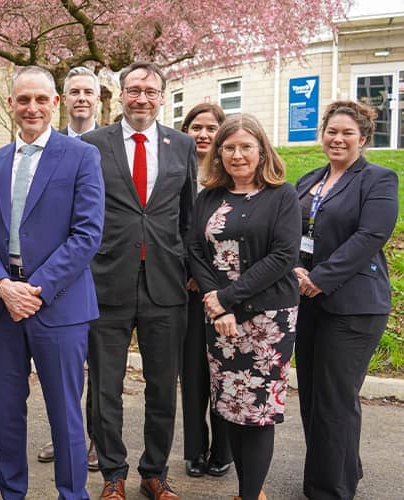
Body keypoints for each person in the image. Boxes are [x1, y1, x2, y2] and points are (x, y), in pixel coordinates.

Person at [0, 66, 104, 500]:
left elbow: (88, 233)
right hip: (2, 307)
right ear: (11, 105)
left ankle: (73, 494)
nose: (31, 107)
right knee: (6, 413)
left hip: (59, 305)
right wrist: (0, 283)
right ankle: (11, 492)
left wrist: (36, 289)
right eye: (23, 100)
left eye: (40, 99)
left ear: (56, 104)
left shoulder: (82, 157)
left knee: (66, 413)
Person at [81, 61, 196, 500]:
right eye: (133, 90)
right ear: (121, 94)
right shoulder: (94, 144)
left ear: (162, 97)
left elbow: (189, 214)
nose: (141, 98)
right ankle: (113, 474)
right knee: (105, 387)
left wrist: (191, 272)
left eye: (150, 90)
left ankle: (154, 471)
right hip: (106, 281)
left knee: (163, 386)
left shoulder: (182, 144)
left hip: (166, 285)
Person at [189, 113, 301, 500]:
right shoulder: (209, 197)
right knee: (230, 405)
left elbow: (283, 255)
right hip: (220, 319)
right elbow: (195, 252)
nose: (238, 155)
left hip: (267, 318)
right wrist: (217, 307)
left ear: (262, 150)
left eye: (246, 147)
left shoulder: (282, 195)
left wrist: (227, 299)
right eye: (230, 147)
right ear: (219, 153)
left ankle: (250, 494)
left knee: (256, 412)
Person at [294, 100, 398, 500]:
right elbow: (290, 230)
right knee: (312, 394)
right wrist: (295, 270)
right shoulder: (309, 181)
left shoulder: (378, 179)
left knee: (335, 398)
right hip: (308, 300)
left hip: (354, 305)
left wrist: (320, 278)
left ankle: (331, 490)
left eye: (347, 133)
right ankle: (341, 469)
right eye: (331, 132)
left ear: (363, 138)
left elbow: (370, 236)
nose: (337, 139)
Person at [37, 65, 102, 471]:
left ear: (99, 99)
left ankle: (94, 437)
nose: (81, 97)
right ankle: (66, 434)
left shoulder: (109, 146)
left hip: (104, 272)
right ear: (64, 99)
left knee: (101, 366)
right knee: (67, 372)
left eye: (88, 91)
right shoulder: (49, 145)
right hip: (59, 277)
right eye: (74, 90)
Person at [179, 103, 232, 478]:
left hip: (225, 292)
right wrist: (187, 273)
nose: (203, 134)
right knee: (193, 372)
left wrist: (208, 278)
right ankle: (194, 450)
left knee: (224, 372)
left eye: (212, 128)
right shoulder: (174, 171)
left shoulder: (232, 173)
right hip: (183, 288)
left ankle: (223, 450)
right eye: (195, 127)